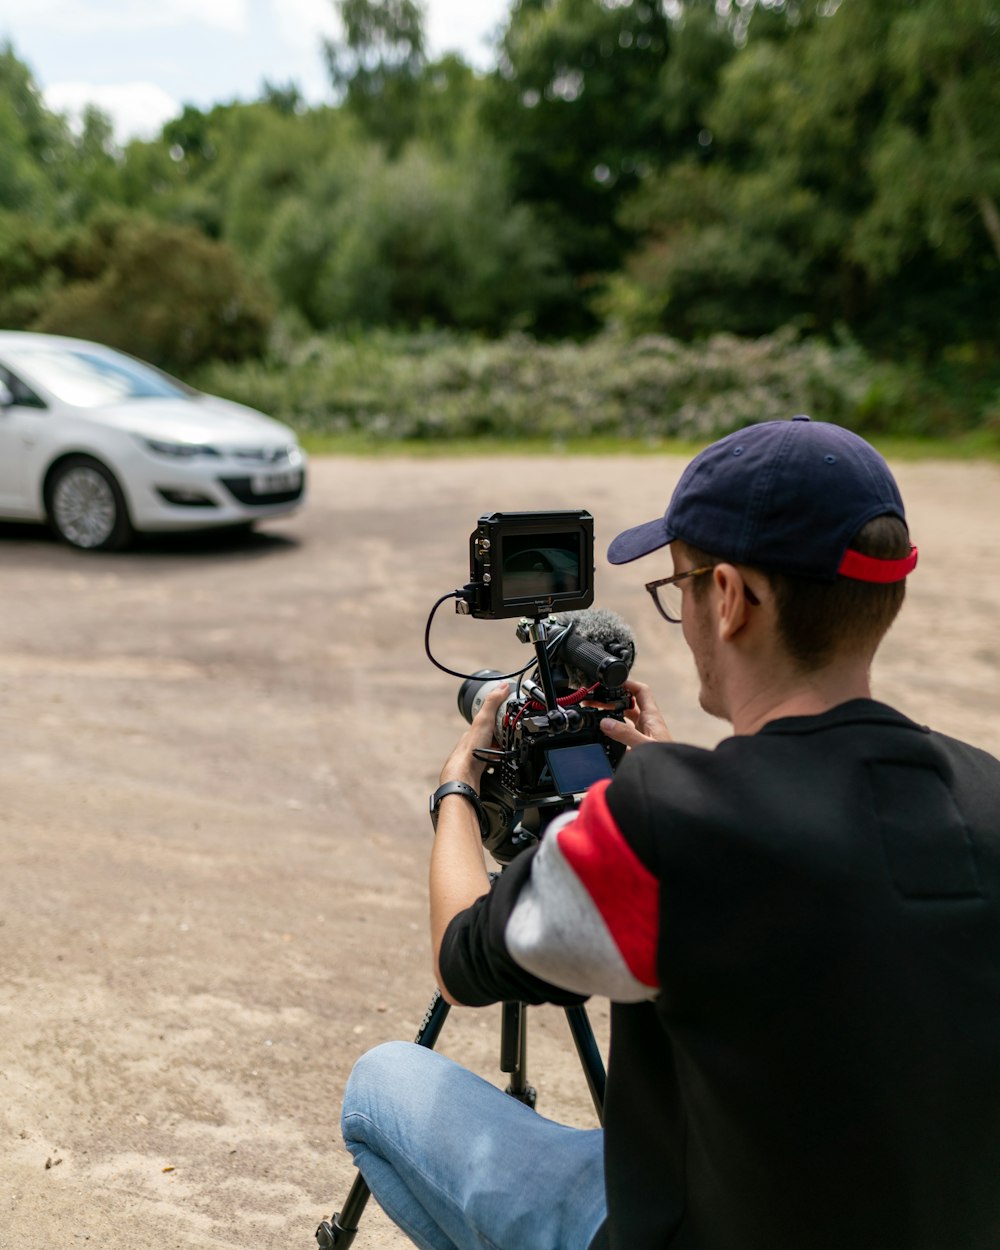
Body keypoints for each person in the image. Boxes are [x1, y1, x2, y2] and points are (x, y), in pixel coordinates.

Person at [341, 415, 1000, 1250]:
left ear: (729, 599)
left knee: (380, 1084)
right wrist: (682, 772)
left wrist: (459, 789)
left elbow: (462, 959)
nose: (682, 612)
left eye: (679, 586)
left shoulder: (664, 824)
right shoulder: (986, 792)